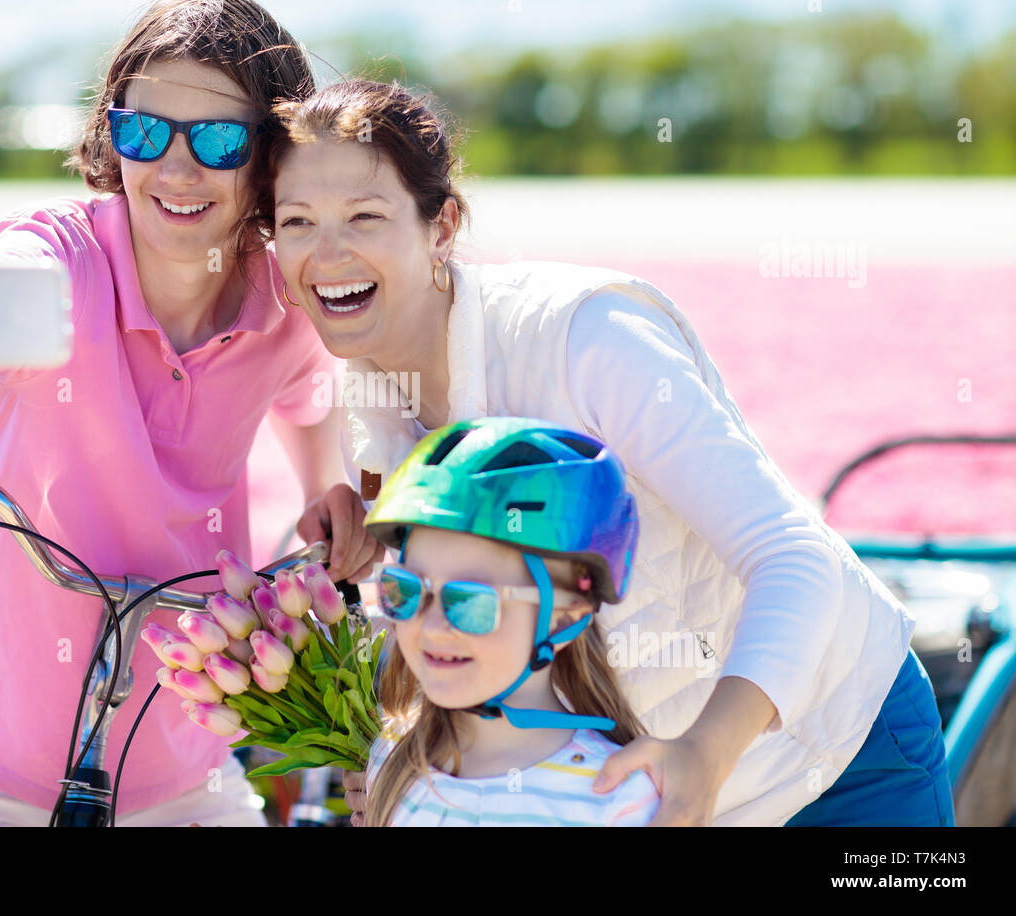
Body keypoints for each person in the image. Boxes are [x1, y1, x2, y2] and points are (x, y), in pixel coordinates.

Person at [262, 78, 953, 826]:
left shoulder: (586, 338)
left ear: (442, 228)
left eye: (364, 216)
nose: (326, 253)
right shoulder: (367, 400)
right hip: (640, 792)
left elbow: (794, 556)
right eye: (297, 221)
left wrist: (704, 757)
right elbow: (484, 624)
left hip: (834, 756)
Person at [0, 0, 381, 826]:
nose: (175, 170)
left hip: (181, 741)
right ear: (110, 131)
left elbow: (305, 397)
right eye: (144, 131)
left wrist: (320, 488)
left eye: (221, 139)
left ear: (271, 155)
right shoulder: (62, 262)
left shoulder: (280, 297)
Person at [361, 417, 660, 826]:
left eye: (468, 601)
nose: (430, 627)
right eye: (406, 589)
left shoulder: (616, 798)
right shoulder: (393, 757)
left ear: (564, 619)